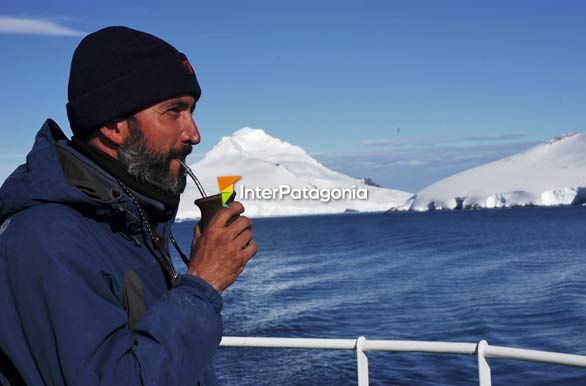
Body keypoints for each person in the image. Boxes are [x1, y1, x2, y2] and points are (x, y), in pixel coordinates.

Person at [0, 26, 256, 386]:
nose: (195, 134)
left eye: (192, 110)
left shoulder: (129, 220)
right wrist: (202, 283)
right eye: (174, 112)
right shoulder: (47, 237)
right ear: (112, 125)